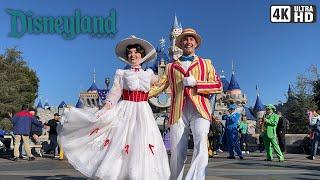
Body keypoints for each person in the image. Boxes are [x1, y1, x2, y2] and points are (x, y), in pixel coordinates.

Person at [59, 35, 170, 180]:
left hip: (143, 112)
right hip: (126, 110)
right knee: (121, 142)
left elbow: (164, 81)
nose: (132, 55)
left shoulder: (149, 75)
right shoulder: (122, 74)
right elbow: (114, 94)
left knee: (143, 141)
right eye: (129, 53)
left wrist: (173, 67)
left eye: (136, 52)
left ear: (142, 55)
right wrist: (105, 107)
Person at [149, 28, 222, 180]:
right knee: (177, 151)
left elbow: (218, 85)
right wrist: (135, 95)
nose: (188, 42)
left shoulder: (206, 64)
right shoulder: (170, 67)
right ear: (180, 43)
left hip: (200, 109)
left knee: (201, 145)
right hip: (178, 111)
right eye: (185, 39)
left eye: (191, 39)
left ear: (196, 43)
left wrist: (197, 83)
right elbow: (159, 86)